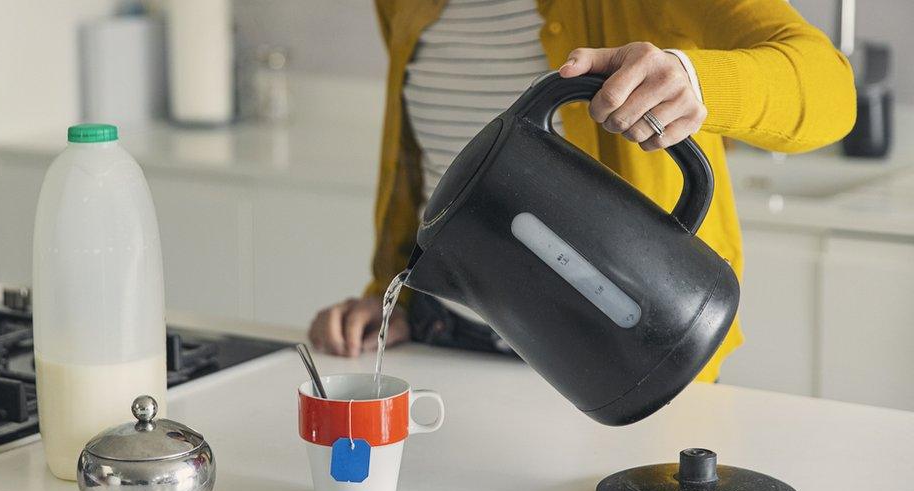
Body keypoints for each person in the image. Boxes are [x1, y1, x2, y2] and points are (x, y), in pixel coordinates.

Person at [309, 0, 856, 382]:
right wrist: (389, 295)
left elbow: (830, 90)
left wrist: (692, 81)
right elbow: (424, 158)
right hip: (448, 339)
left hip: (626, 350)